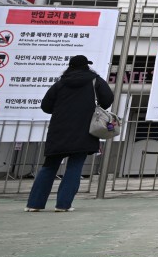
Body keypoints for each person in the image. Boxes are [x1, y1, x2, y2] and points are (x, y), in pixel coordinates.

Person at [25, 55, 114, 212]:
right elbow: (108, 99)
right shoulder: (95, 81)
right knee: (74, 167)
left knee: (49, 167)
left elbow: (46, 106)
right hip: (84, 129)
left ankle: (34, 204)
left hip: (59, 129)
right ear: (87, 66)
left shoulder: (60, 83)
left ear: (70, 66)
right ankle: (63, 205)